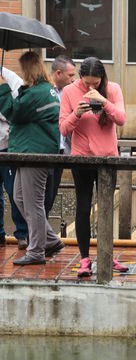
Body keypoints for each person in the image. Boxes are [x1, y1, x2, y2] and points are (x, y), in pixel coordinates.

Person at [59, 56, 128, 278]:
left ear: (102, 78)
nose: (90, 87)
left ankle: (107, 255)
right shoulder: (70, 92)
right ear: (80, 77)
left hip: (108, 159)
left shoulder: (113, 89)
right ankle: (85, 259)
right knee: (83, 207)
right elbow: (63, 129)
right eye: (87, 82)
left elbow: (121, 119)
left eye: (96, 83)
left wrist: (103, 100)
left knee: (106, 207)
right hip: (82, 158)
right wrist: (76, 113)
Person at [0, 51, 64, 266]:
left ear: (29, 70)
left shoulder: (38, 92)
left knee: (33, 203)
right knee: (19, 197)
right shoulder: (45, 90)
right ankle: (51, 240)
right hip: (31, 152)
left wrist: (2, 88)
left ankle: (36, 251)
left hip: (35, 153)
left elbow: (14, 113)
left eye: (23, 70)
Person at [0, 66, 28, 250]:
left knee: (14, 192)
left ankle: (22, 233)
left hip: (7, 145)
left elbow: (17, 112)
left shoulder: (10, 78)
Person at [44, 55, 75, 218]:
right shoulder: (45, 91)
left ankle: (43, 234)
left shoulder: (70, 93)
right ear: (58, 73)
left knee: (52, 194)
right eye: (70, 75)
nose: (73, 80)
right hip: (46, 149)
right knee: (42, 195)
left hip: (61, 150)